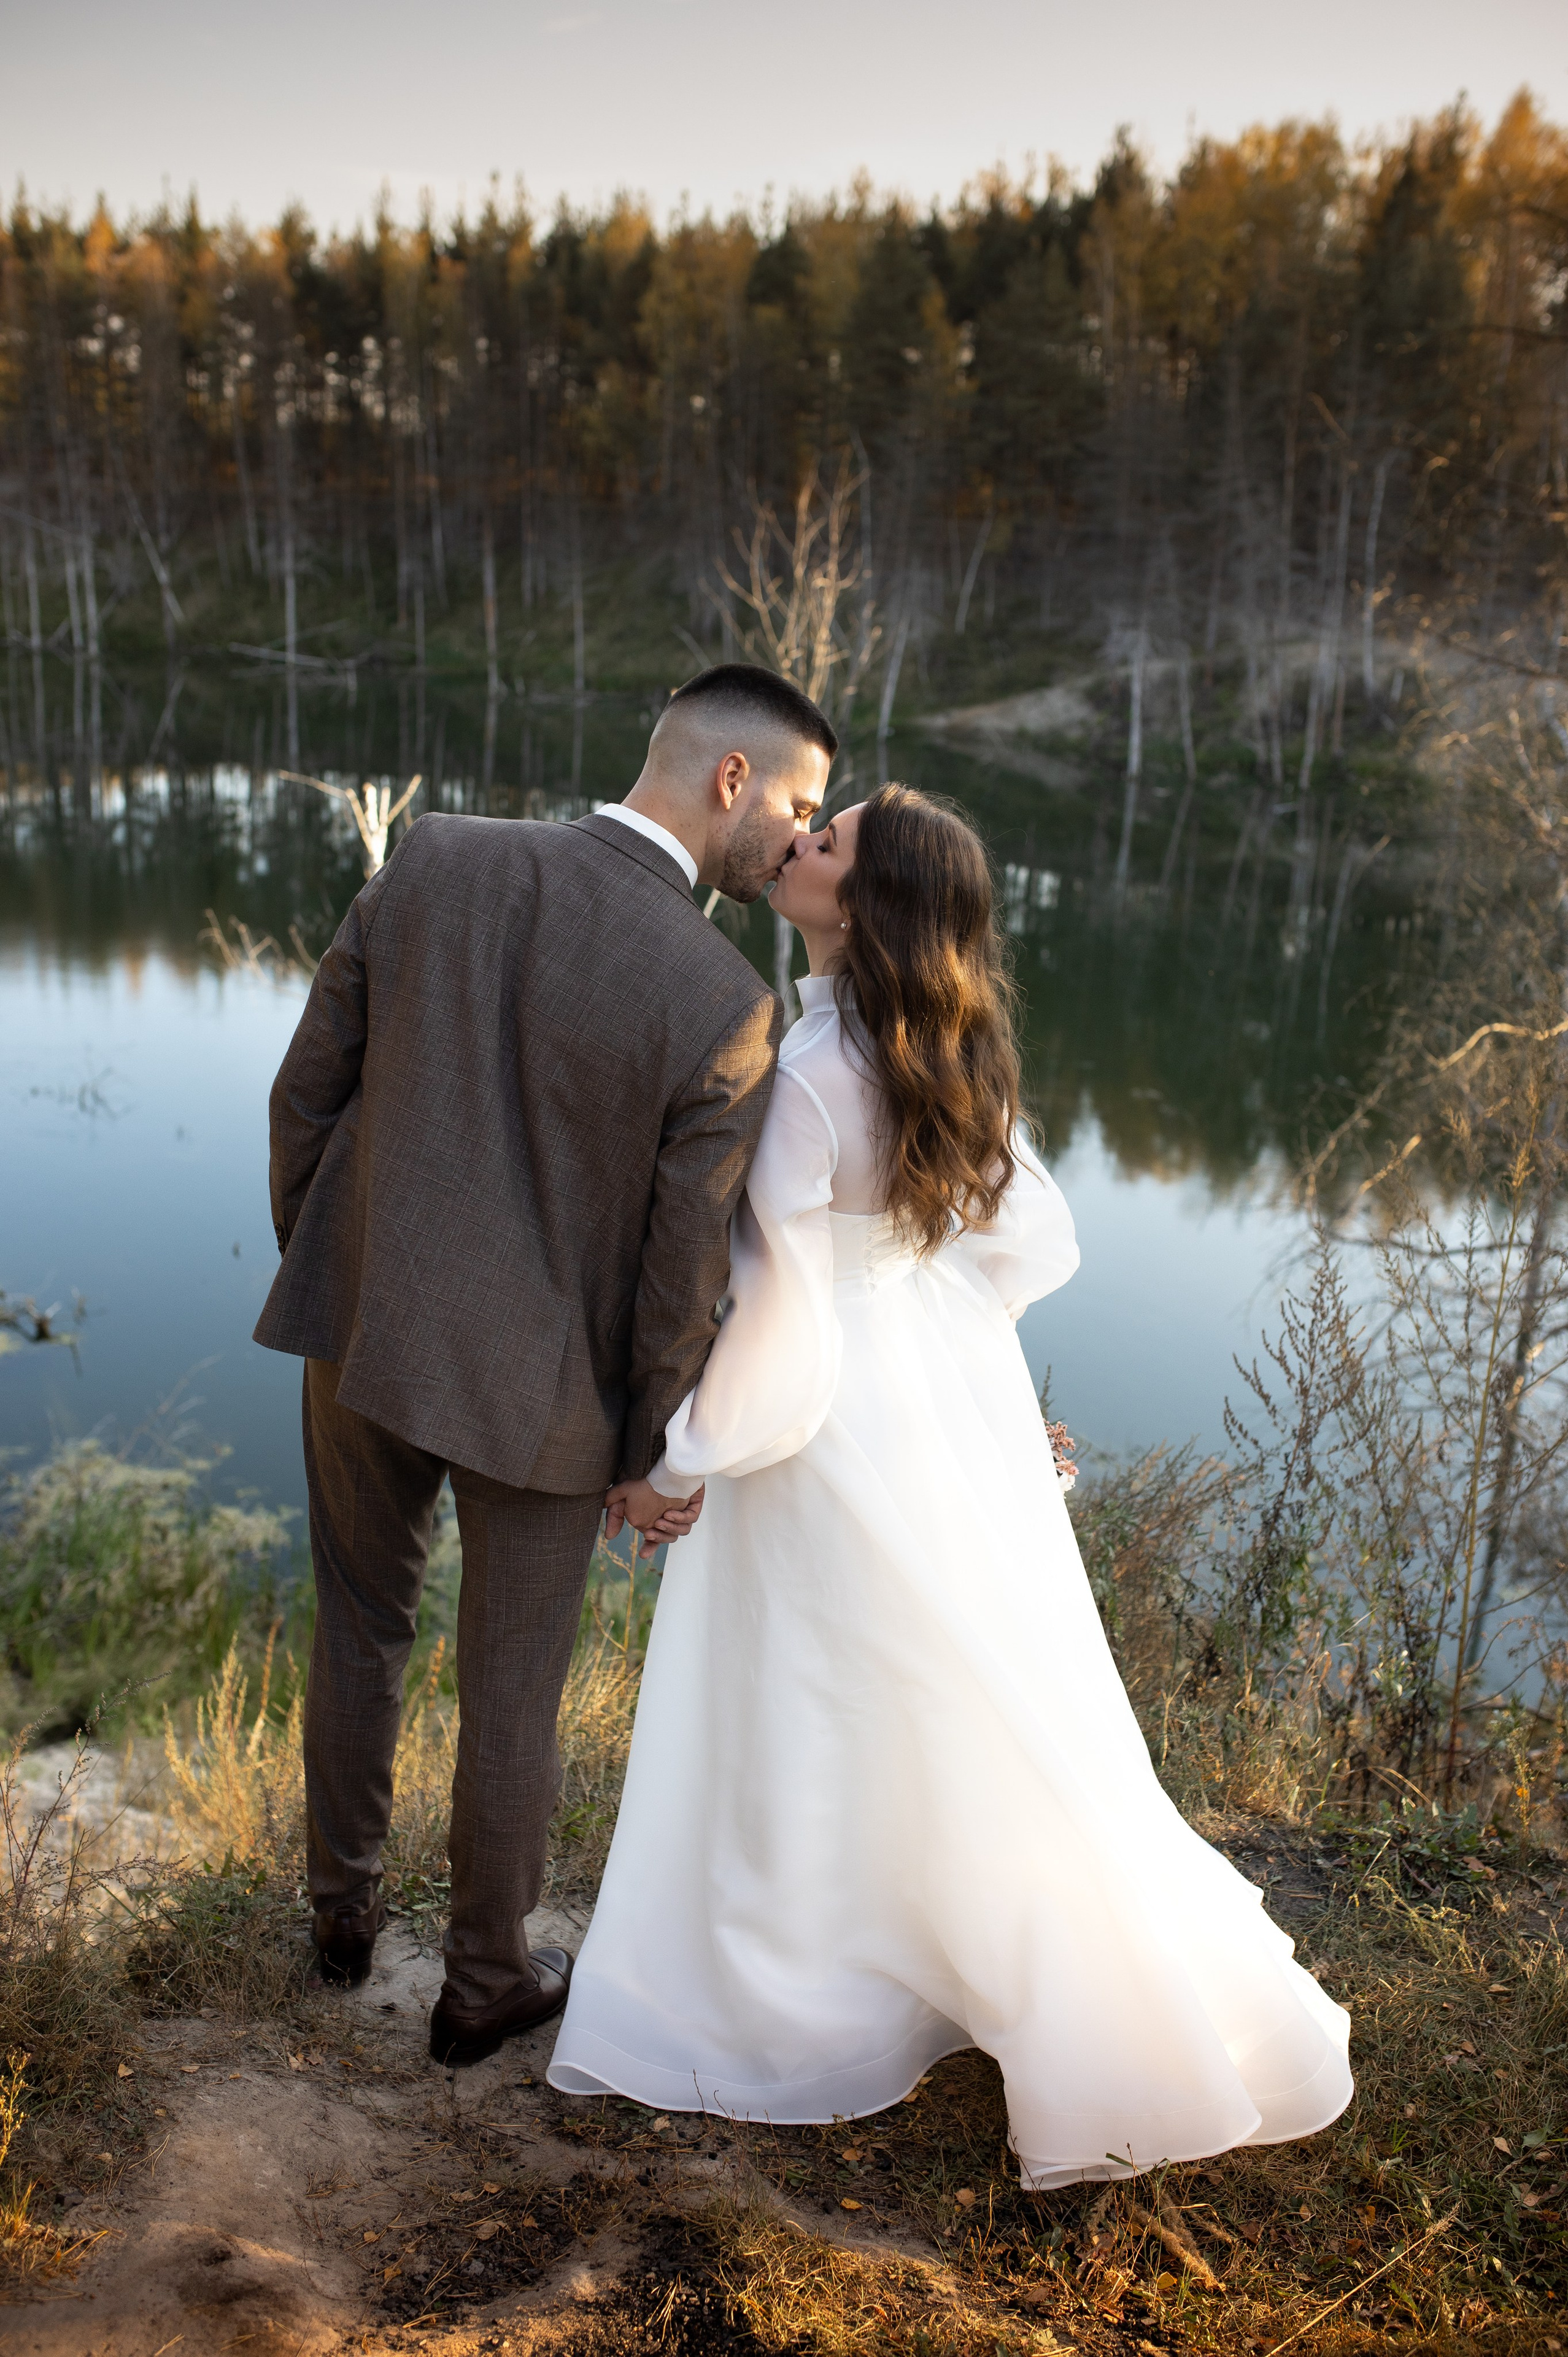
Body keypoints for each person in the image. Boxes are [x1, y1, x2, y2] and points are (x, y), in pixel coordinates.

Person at [548, 784, 1353, 2186]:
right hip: (939, 1392)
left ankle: (811, 1986)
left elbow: (784, 1333)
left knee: (812, 1693)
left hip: (837, 1427)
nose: (798, 843)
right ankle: (947, 1957)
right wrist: (955, 1358)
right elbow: (1029, 1239)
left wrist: (670, 1463)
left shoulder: (806, 1077)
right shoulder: (949, 1048)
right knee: (945, 1689)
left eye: (828, 841)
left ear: (863, 907)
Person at [253, 664, 833, 2067]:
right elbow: (678, 1266)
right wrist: (652, 1452)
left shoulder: (434, 856)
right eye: (802, 803)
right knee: (511, 1687)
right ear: (731, 780)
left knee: (360, 1624)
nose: (803, 838)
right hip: (547, 1400)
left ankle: (340, 1920)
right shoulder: (721, 997)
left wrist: (343, 1265)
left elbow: (304, 1090)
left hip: (365, 1333)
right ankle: (484, 1983)